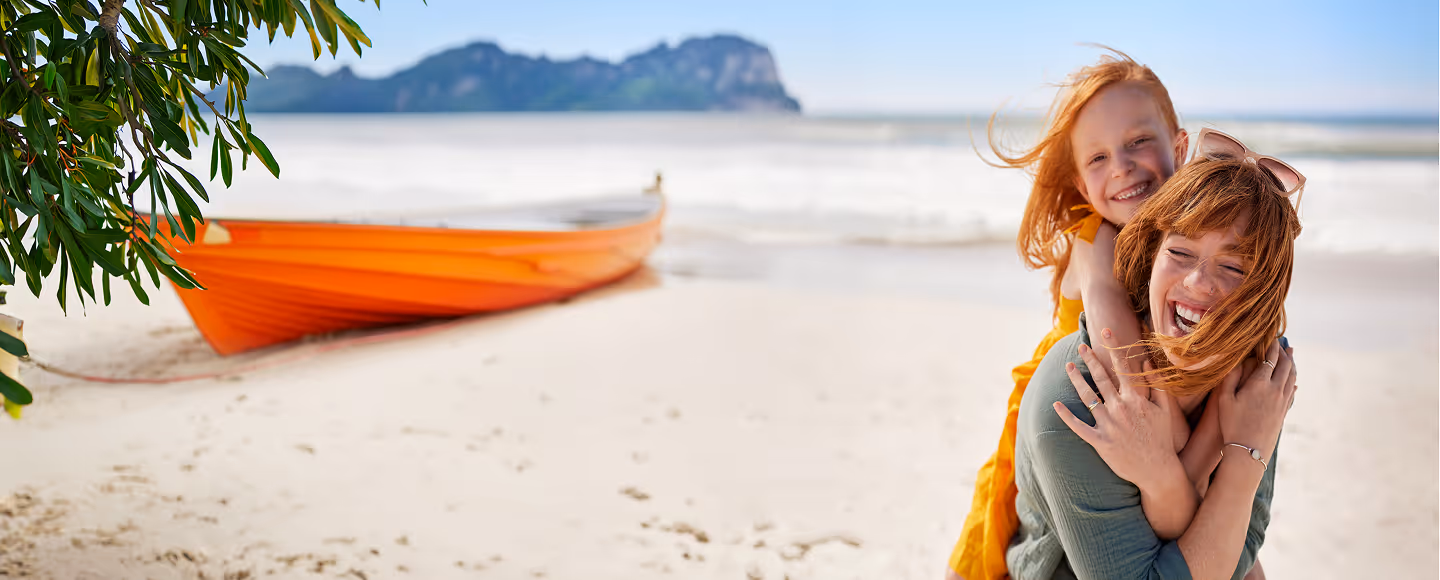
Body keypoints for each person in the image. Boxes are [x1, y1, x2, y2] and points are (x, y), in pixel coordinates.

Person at [948, 48, 1193, 580]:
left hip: (1135, 412)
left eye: (1138, 142)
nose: (1123, 166)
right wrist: (1169, 430)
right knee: (997, 539)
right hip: (1079, 407)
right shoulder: (1096, 239)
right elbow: (1113, 345)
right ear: (1082, 186)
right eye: (1098, 158)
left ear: (1180, 146)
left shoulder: (1184, 240)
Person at [1007, 152, 1304, 579]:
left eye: (1234, 266)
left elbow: (1241, 555)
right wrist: (1243, 460)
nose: (1198, 281)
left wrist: (1165, 476)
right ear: (1151, 260)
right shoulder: (1078, 397)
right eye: (1180, 251)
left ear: (1265, 296)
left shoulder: (1261, 381)